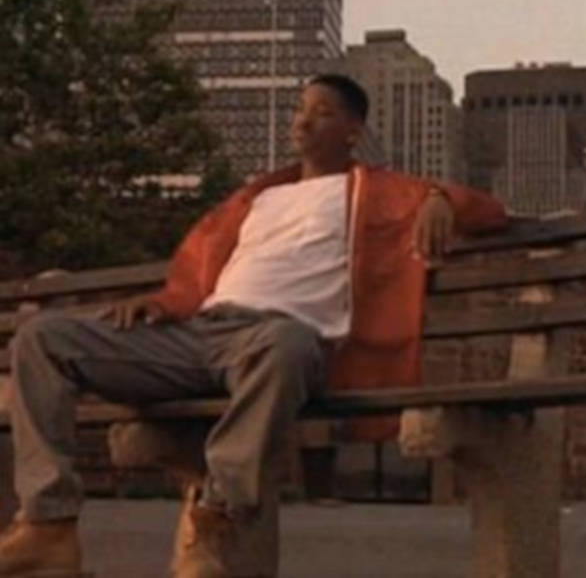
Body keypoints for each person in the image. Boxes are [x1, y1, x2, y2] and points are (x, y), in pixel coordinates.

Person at [0, 73, 507, 577]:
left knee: (286, 344)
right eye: (300, 110)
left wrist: (441, 198)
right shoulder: (257, 197)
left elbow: (490, 211)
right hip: (200, 334)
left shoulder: (382, 192)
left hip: (278, 341)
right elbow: (196, 274)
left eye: (322, 113)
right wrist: (161, 304)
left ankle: (215, 516)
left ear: (353, 131)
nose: (303, 121)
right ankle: (49, 525)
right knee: (42, 339)